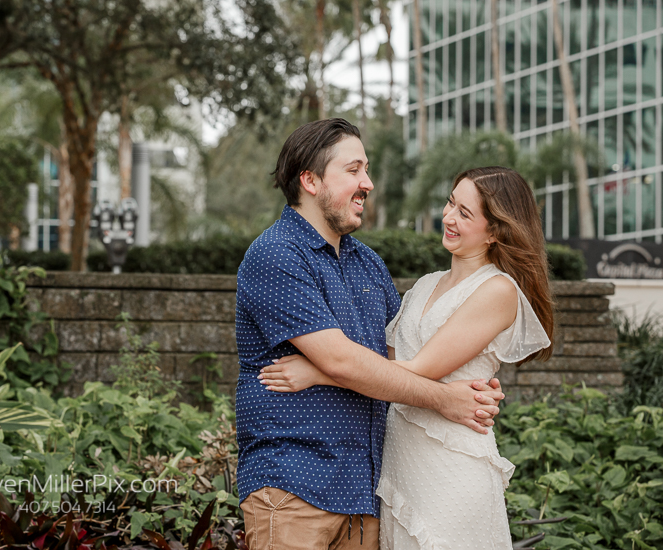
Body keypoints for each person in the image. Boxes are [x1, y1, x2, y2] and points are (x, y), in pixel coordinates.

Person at [235, 118, 506, 550]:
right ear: (310, 180)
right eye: (354, 170)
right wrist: (446, 399)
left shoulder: (366, 263)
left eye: (367, 169)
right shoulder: (276, 255)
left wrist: (472, 387)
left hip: (365, 495)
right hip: (292, 489)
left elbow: (404, 358)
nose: (369, 183)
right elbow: (341, 360)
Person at [259, 166, 554, 549]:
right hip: (402, 466)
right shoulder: (426, 284)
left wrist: (318, 371)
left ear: (496, 230)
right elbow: (382, 360)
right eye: (451, 203)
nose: (448, 217)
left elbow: (418, 370)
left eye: (465, 213)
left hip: (451, 463)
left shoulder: (497, 290)